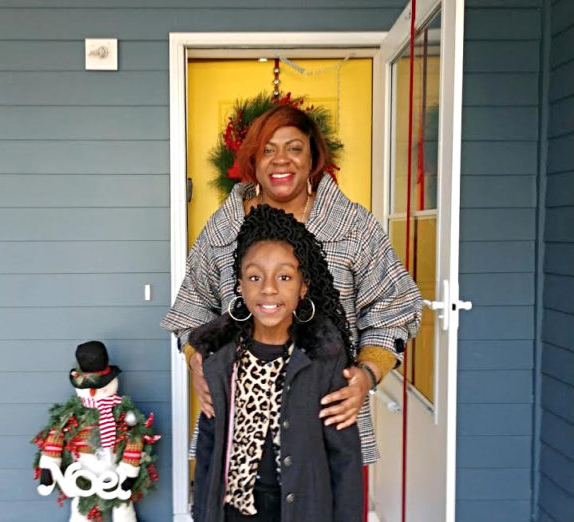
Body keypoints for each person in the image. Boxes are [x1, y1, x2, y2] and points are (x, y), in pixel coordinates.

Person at [161, 104, 422, 467]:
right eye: (268, 149)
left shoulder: (353, 228)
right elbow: (191, 312)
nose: (280, 160)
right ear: (254, 159)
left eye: (294, 148)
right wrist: (198, 365)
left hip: (327, 424)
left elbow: (395, 311)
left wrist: (366, 376)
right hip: (237, 423)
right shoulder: (224, 229)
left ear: (313, 156)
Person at [190, 204, 363, 521]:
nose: (269, 288)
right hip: (234, 511)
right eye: (255, 276)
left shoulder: (324, 354)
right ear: (240, 286)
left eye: (284, 276)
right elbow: (208, 447)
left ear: (303, 286)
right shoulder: (220, 355)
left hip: (302, 508)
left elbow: (345, 456)